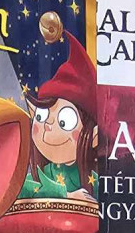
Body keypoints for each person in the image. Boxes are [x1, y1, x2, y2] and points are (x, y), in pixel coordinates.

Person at [19, 30, 98, 202]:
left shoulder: (94, 177)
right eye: (41, 116)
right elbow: (21, 189)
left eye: (64, 121)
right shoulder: (46, 173)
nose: (47, 125)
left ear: (94, 136)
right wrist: (66, 195)